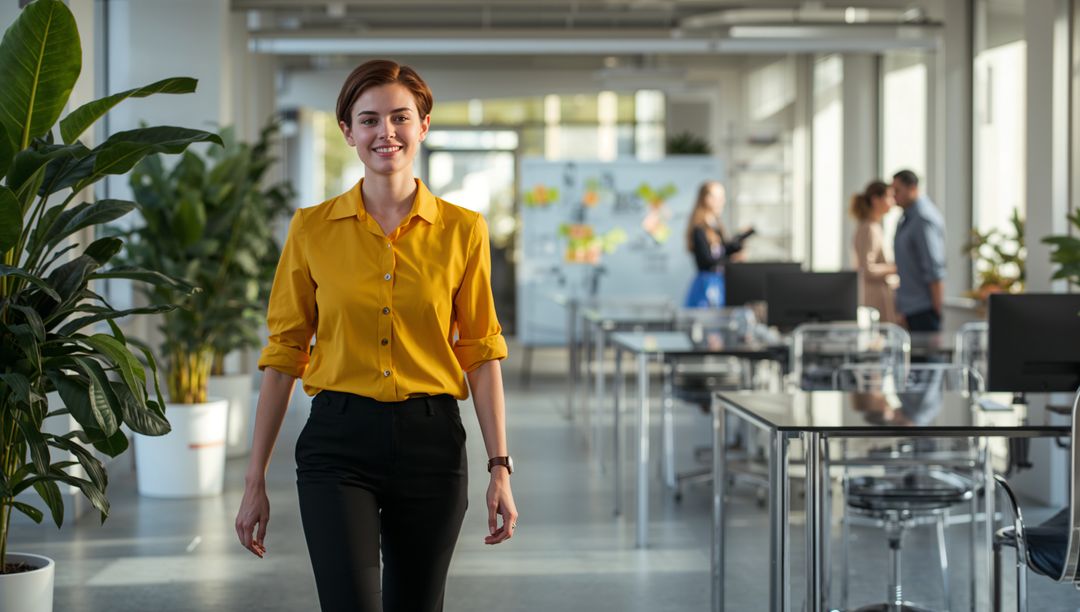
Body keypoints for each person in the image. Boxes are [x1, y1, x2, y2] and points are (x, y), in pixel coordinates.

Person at [234, 59, 519, 612]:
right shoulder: (310, 229)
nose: (385, 132)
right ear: (347, 132)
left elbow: (482, 354)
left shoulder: (464, 231)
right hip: (337, 442)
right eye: (368, 120)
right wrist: (254, 478)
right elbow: (285, 352)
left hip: (432, 443)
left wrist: (499, 469)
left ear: (424, 124)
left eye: (399, 117)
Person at [891, 169, 946, 332]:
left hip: (924, 310)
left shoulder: (923, 219)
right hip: (910, 309)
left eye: (897, 191)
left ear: (912, 188)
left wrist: (936, 309)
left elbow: (934, 267)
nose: (893, 196)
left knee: (928, 357)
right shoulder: (907, 219)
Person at [683, 181, 752, 307]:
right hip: (707, 286)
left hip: (720, 283)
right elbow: (707, 260)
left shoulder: (716, 225)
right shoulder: (699, 228)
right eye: (718, 198)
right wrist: (731, 259)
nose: (722, 202)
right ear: (707, 199)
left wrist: (740, 240)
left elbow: (724, 249)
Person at [849, 180, 899, 324]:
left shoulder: (874, 227)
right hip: (874, 298)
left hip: (879, 294)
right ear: (876, 200)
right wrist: (895, 268)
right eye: (889, 197)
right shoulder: (869, 229)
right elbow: (866, 269)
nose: (892, 202)